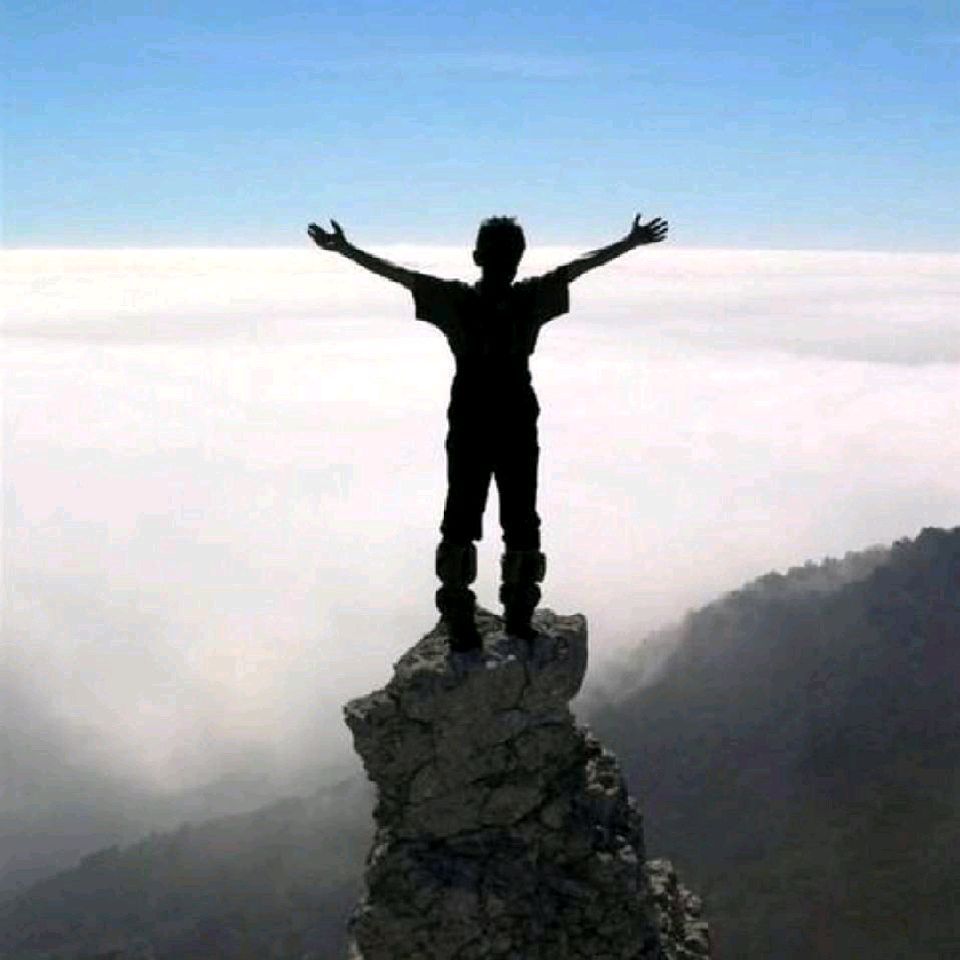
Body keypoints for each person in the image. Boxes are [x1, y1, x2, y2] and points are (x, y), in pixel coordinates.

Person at [307, 213, 668, 651]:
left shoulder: (455, 300)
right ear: (519, 258)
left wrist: (345, 250)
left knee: (461, 516)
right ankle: (519, 616)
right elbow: (579, 268)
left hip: (471, 420)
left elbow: (398, 275)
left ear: (477, 256)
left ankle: (460, 620)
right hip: (516, 419)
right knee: (521, 518)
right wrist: (629, 242)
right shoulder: (530, 298)